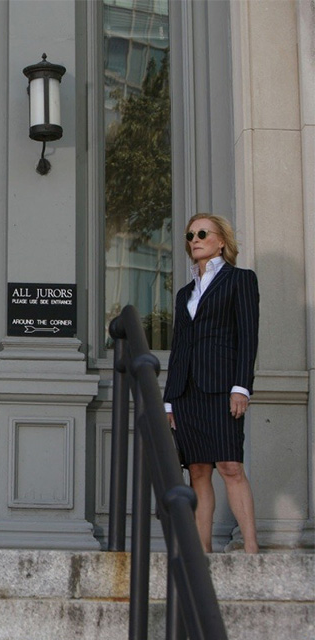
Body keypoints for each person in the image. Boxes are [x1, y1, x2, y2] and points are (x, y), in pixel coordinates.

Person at [163, 214, 260, 553]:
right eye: (190, 235)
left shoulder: (240, 279)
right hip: (187, 392)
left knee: (230, 466)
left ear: (221, 241)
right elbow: (179, 347)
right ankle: (202, 554)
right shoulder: (184, 294)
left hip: (222, 387)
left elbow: (248, 337)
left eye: (202, 233)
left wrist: (241, 386)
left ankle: (251, 550)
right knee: (198, 471)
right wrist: (170, 399)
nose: (195, 240)